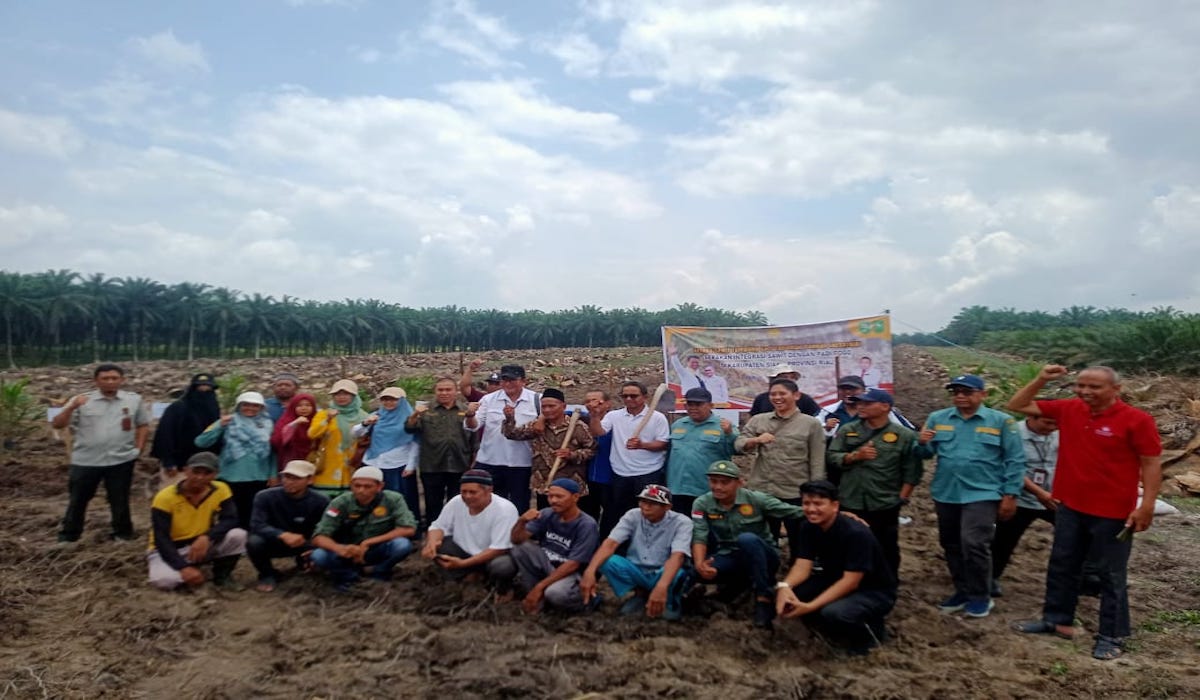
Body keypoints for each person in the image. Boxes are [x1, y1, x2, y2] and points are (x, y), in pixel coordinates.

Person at [1007, 365, 1163, 661]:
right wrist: (1041, 379)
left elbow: (1151, 463)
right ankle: (1057, 620)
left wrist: (1147, 505)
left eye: (1094, 387)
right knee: (1062, 564)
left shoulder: (1137, 420)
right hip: (1071, 506)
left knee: (1109, 573)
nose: (1085, 392)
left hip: (1114, 511)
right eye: (1080, 385)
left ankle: (1111, 635)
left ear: (1116, 389)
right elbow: (1016, 405)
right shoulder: (1069, 409)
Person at [917, 374, 1024, 619]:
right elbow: (924, 454)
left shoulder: (1002, 421)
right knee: (951, 543)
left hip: (983, 491)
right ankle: (962, 590)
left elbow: (1015, 460)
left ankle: (979, 596)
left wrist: (1011, 494)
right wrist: (921, 443)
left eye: (967, 392)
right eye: (956, 392)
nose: (960, 396)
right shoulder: (938, 418)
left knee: (974, 543)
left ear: (982, 394)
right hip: (947, 491)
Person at [774, 480, 897, 655]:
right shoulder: (808, 526)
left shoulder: (856, 533)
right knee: (793, 594)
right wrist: (784, 587)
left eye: (818, 504)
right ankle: (828, 628)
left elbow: (851, 582)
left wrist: (811, 606)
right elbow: (802, 565)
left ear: (835, 506)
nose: (811, 509)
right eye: (806, 503)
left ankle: (870, 638)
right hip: (833, 578)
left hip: (872, 590)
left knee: (835, 613)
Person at [691, 460, 806, 630]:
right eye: (714, 481)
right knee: (695, 572)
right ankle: (737, 586)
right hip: (730, 554)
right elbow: (699, 535)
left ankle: (764, 597)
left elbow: (795, 512)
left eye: (725, 482)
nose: (718, 487)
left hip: (765, 556)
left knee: (747, 540)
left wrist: (838, 513)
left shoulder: (756, 499)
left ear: (739, 482)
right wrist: (700, 564)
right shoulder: (702, 503)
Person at [825, 388, 922, 577]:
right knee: (849, 542)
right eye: (860, 403)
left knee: (885, 545)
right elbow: (832, 456)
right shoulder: (848, 430)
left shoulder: (904, 436)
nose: (860, 406)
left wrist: (901, 498)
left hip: (884, 501)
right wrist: (854, 456)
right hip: (851, 498)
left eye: (867, 403)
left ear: (885, 407)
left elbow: (912, 471)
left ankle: (886, 583)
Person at [53, 363, 151, 543]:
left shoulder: (133, 400)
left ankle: (123, 534)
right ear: (96, 381)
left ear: (122, 380)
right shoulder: (81, 400)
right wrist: (71, 407)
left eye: (114, 378)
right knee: (78, 500)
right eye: (105, 378)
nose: (110, 382)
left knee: (119, 500)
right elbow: (57, 424)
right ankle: (69, 536)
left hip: (120, 459)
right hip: (86, 460)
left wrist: (138, 449)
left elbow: (143, 425)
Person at [735, 377, 825, 564]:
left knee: (800, 540)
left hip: (795, 491)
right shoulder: (759, 420)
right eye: (773, 394)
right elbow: (739, 444)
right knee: (765, 539)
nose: (777, 398)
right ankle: (766, 578)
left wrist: (815, 493)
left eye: (782, 393)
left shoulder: (810, 424)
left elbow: (817, 460)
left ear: (796, 395)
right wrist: (756, 440)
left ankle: (797, 579)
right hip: (763, 491)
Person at [580, 484, 692, 620]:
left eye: (653, 503)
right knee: (608, 561)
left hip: (663, 571)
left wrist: (661, 586)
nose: (645, 507)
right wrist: (590, 571)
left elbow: (678, 556)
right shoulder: (633, 514)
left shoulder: (682, 522)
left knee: (671, 610)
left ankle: (669, 597)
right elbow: (611, 543)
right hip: (638, 570)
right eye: (643, 501)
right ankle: (641, 594)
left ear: (667, 507)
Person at [147, 452, 248, 590]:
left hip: (199, 544)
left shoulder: (221, 489)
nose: (200, 477)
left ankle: (222, 576)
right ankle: (188, 571)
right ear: (186, 470)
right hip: (169, 548)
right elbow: (161, 538)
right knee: (164, 581)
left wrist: (207, 537)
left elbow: (231, 519)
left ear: (216, 474)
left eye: (207, 473)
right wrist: (183, 568)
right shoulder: (165, 498)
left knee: (238, 535)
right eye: (196, 472)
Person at [310, 466, 417, 591]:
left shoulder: (393, 499)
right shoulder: (340, 502)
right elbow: (319, 536)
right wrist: (339, 548)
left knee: (402, 545)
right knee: (318, 556)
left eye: (367, 486)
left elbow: (408, 528)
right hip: (347, 552)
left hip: (376, 548)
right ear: (351, 485)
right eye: (357, 486)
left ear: (379, 486)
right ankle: (347, 577)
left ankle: (378, 571)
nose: (361, 490)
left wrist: (369, 542)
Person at [589, 381, 670, 538]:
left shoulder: (657, 418)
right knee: (617, 515)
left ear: (645, 397)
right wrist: (594, 417)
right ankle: (617, 549)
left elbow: (663, 443)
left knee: (647, 513)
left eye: (633, 396)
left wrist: (643, 445)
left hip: (648, 473)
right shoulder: (614, 416)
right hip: (620, 474)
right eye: (625, 396)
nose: (629, 399)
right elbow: (598, 432)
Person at [509, 478, 600, 614]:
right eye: (550, 496)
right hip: (548, 564)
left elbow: (573, 564)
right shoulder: (547, 513)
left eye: (559, 496)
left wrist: (540, 587)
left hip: (571, 573)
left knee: (555, 594)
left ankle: (586, 603)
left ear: (575, 497)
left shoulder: (586, 525)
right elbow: (516, 540)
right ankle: (536, 596)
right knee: (520, 548)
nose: (553, 500)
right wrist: (522, 521)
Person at [420, 469, 519, 589]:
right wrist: (431, 544)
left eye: (473, 492)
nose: (467, 496)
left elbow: (499, 549)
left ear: (489, 491)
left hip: (490, 557)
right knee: (440, 545)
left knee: (503, 566)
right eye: (464, 492)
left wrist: (462, 564)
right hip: (463, 553)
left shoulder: (505, 510)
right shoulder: (456, 501)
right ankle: (468, 577)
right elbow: (438, 526)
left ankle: (500, 588)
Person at [195, 391, 275, 531]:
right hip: (230, 476)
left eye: (255, 405)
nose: (250, 408)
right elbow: (201, 442)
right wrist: (219, 424)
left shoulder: (268, 424)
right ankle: (231, 545)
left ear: (261, 407)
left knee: (253, 514)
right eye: (246, 405)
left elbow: (273, 451)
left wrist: (273, 474)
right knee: (230, 514)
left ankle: (248, 544)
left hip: (258, 476)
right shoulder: (229, 421)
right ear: (239, 405)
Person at [502, 388, 596, 508]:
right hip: (544, 483)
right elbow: (512, 434)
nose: (547, 410)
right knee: (546, 519)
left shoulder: (578, 427)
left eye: (552, 406)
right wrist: (510, 418)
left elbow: (592, 450)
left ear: (563, 406)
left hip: (570, 484)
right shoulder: (537, 426)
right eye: (544, 407)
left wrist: (572, 455)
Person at [247, 459, 329, 592]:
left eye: (296, 478)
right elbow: (257, 524)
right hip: (274, 541)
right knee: (254, 542)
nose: (289, 481)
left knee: (324, 549)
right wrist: (282, 535)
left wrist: (313, 544)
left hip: (304, 543)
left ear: (310, 480)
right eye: (286, 477)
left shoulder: (320, 501)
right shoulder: (265, 496)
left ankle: (305, 563)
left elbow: (325, 528)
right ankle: (267, 573)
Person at [466, 364, 538, 510]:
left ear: (524, 381)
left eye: (512, 380)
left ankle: (516, 533)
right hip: (491, 462)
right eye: (504, 380)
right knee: (490, 504)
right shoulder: (488, 400)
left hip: (522, 463)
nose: (507, 384)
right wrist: (470, 415)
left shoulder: (537, 400)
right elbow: (474, 426)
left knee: (520, 505)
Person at [406, 377, 475, 526]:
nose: (444, 393)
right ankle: (433, 531)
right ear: (435, 391)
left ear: (456, 391)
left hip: (459, 463)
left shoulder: (465, 410)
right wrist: (414, 415)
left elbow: (473, 438)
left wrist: (473, 462)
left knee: (457, 501)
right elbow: (409, 428)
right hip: (432, 464)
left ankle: (454, 532)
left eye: (448, 389)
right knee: (432, 502)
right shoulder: (425, 410)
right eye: (440, 390)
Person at [666, 387, 737, 514]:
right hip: (677, 488)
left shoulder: (724, 426)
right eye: (689, 404)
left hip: (707, 490)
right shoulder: (678, 425)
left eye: (698, 404)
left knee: (708, 529)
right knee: (681, 528)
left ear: (711, 405)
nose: (693, 408)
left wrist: (729, 433)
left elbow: (736, 450)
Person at [354, 386, 420, 519]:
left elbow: (415, 443)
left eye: (393, 399)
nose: (388, 403)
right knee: (371, 498)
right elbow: (355, 434)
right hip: (373, 463)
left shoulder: (410, 419)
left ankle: (405, 530)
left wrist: (411, 465)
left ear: (401, 401)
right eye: (385, 399)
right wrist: (365, 423)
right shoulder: (377, 416)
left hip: (398, 465)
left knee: (401, 499)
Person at [308, 379, 371, 498]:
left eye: (346, 394)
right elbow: (312, 434)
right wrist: (327, 420)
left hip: (352, 466)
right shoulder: (323, 414)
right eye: (337, 394)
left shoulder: (364, 416)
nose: (341, 397)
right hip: (327, 467)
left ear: (354, 396)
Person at [151, 372, 220, 477]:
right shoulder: (178, 407)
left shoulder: (213, 408)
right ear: (192, 388)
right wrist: (168, 462)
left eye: (208, 387)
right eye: (200, 387)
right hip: (180, 464)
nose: (204, 390)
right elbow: (165, 434)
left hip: (205, 465)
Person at [818, 376, 916, 440]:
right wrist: (826, 428)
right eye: (843, 389)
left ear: (863, 390)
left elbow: (910, 433)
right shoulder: (827, 411)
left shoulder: (881, 411)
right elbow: (811, 433)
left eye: (853, 389)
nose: (847, 392)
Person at [579, 390, 614, 522]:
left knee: (610, 514)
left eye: (595, 400)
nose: (591, 404)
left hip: (610, 477)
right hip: (588, 477)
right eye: (588, 401)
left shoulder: (617, 421)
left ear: (608, 404)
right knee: (588, 513)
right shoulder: (580, 421)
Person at [269, 393, 319, 471]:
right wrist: (294, 425)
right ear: (293, 407)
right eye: (299, 405)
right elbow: (276, 441)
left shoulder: (317, 421)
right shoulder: (286, 420)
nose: (304, 408)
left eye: (308, 405)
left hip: (312, 463)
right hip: (290, 463)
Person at [749, 364, 821, 417]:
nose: (789, 380)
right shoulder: (761, 399)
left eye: (792, 377)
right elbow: (753, 420)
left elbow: (817, 418)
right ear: (773, 380)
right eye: (784, 377)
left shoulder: (804, 399)